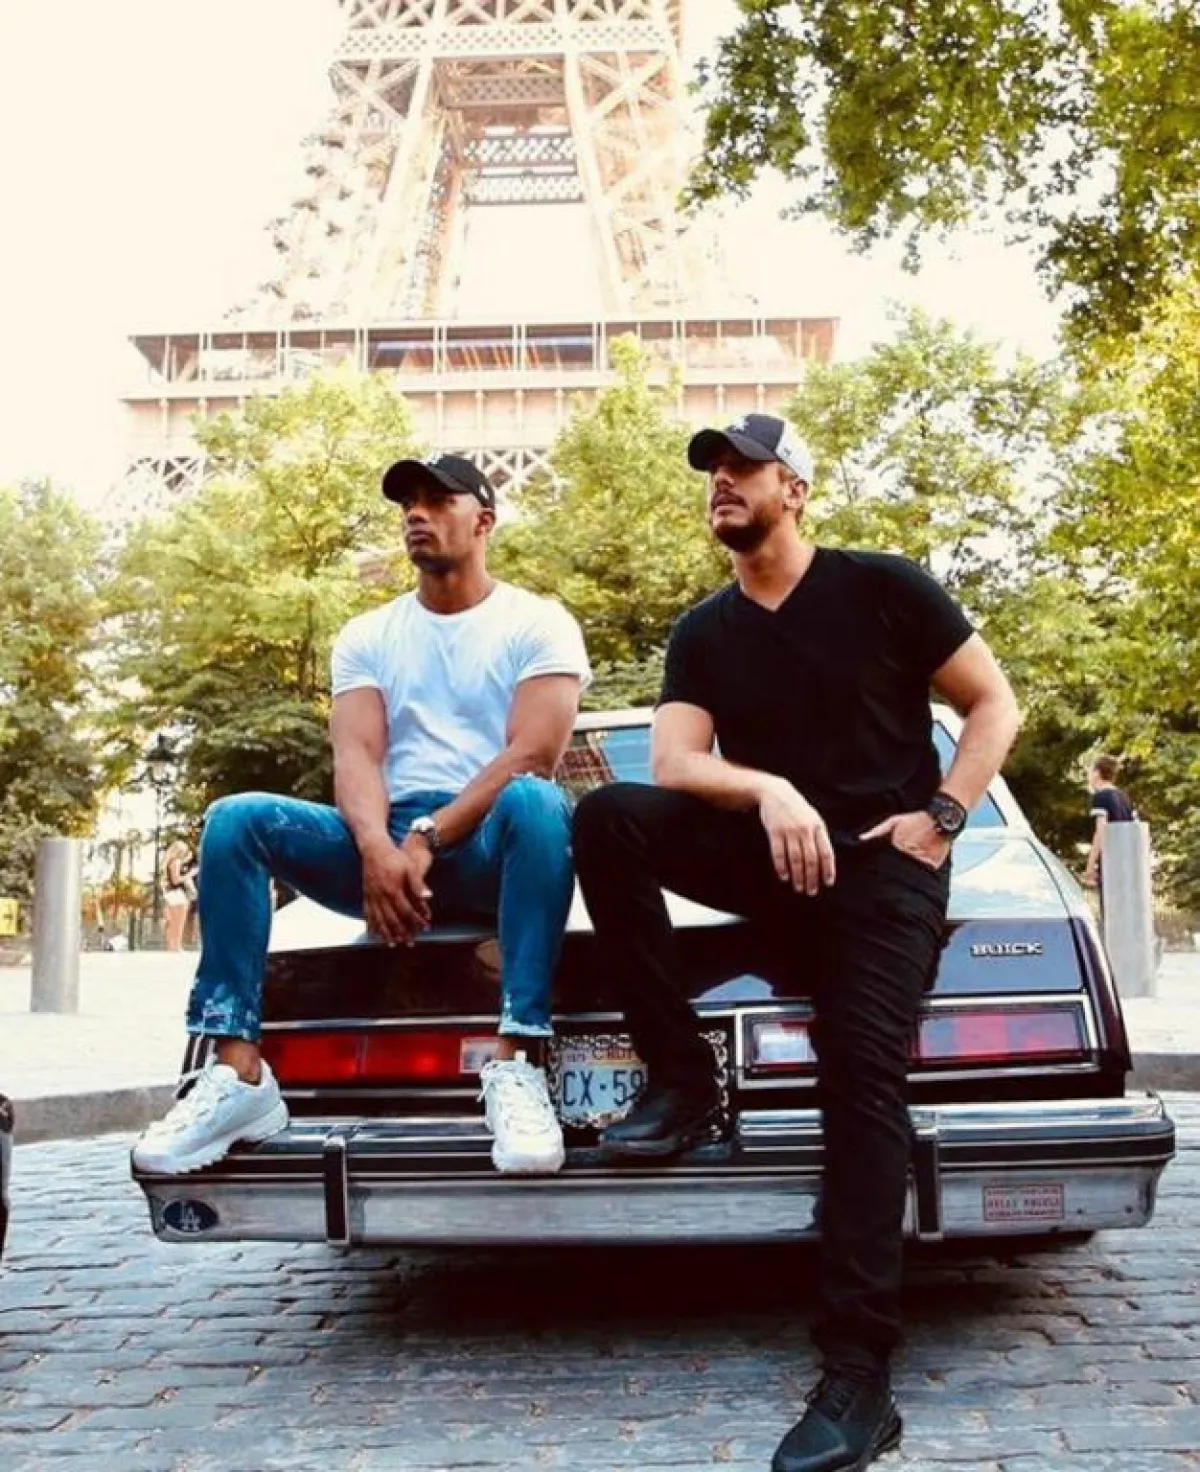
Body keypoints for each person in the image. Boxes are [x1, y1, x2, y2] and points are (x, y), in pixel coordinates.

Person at [571, 414, 1020, 1472]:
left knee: (861, 1072)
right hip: (772, 856)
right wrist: (769, 787)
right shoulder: (706, 629)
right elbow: (675, 761)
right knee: (608, 815)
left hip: (883, 868)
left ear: (797, 488)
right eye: (712, 472)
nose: (721, 483)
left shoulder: (883, 586)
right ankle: (682, 1078)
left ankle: (859, 1373)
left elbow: (993, 702)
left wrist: (942, 816)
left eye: (744, 468)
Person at [133, 452, 591, 1178]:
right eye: (408, 504)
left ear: (484, 520)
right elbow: (356, 753)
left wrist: (428, 837)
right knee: (235, 819)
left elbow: (532, 753)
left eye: (437, 501)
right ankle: (237, 1072)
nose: (417, 515)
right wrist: (377, 847)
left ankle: (517, 1060)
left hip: (487, 844)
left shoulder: (538, 622)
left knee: (537, 800)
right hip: (385, 838)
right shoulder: (369, 633)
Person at [1084, 754, 1137, 919]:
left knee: (1110, 911)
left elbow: (1101, 831)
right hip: (1126, 862)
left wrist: (1090, 865)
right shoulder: (1124, 798)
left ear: (1097, 773)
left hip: (1110, 861)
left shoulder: (1101, 797)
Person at [160, 841, 195, 953]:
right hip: (177, 894)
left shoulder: (169, 862)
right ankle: (177, 946)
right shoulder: (176, 862)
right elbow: (176, 880)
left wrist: (187, 860)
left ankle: (172, 947)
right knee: (179, 923)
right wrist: (191, 874)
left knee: (173, 922)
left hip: (170, 893)